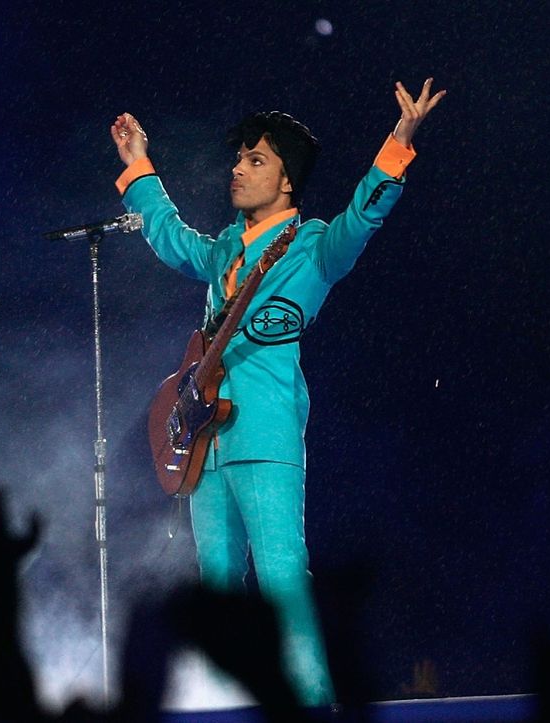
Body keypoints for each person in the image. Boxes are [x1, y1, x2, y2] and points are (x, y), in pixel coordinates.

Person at [109, 79, 445, 706]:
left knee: (284, 584)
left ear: (287, 179)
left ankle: (312, 705)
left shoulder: (313, 248)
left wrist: (399, 142)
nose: (238, 168)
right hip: (205, 444)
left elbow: (363, 216)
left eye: (255, 159)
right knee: (218, 591)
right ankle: (229, 705)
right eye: (239, 157)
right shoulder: (224, 251)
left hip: (264, 435)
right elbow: (173, 236)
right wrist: (139, 168)